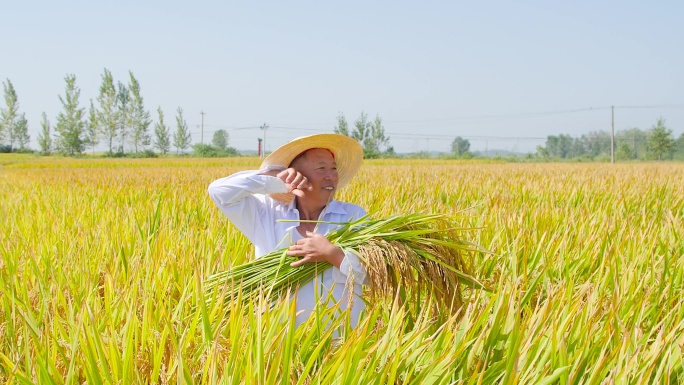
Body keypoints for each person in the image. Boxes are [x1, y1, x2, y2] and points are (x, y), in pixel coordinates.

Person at [207, 133, 368, 328]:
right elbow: (219, 192)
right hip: (278, 340)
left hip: (342, 341)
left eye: (333, 168)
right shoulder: (267, 213)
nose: (331, 176)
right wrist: (273, 178)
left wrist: (332, 254)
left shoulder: (353, 217)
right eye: (321, 168)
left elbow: (374, 275)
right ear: (297, 174)